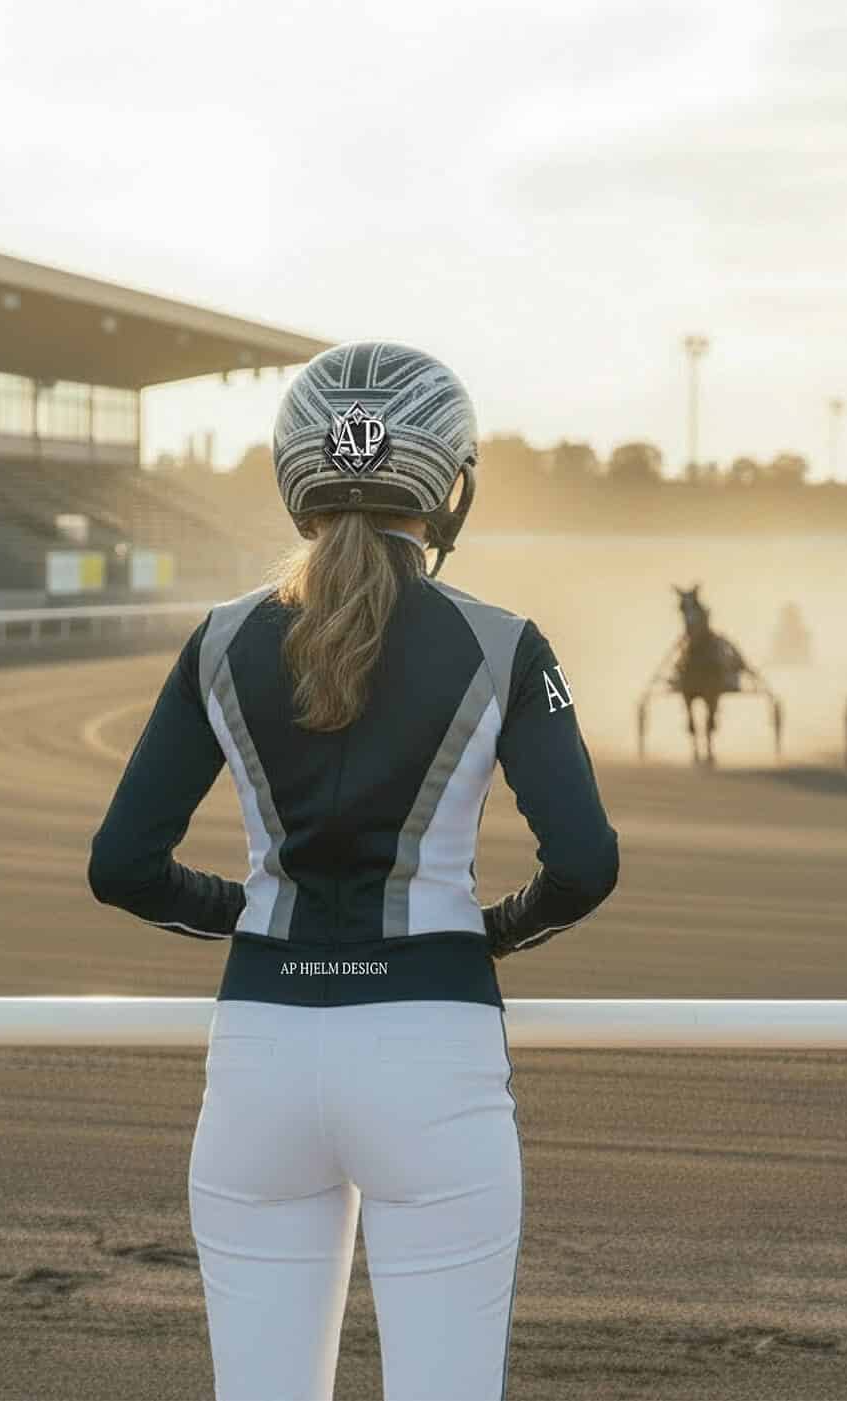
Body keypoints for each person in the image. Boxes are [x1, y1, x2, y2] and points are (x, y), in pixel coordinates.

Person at [89, 340, 619, 1400]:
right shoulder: (506, 643)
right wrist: (492, 930)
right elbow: (584, 863)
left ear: (297, 474)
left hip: (261, 1059)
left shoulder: (218, 640)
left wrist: (245, 912)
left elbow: (124, 866)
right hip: (432, 1048)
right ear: (448, 485)